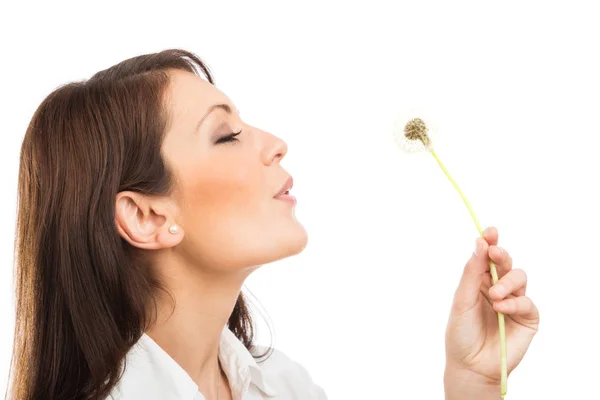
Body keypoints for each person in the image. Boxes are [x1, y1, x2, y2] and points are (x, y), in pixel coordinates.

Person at [8, 49, 539, 400]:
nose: (274, 143)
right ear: (147, 216)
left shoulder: (283, 385)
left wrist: (472, 382)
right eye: (226, 135)